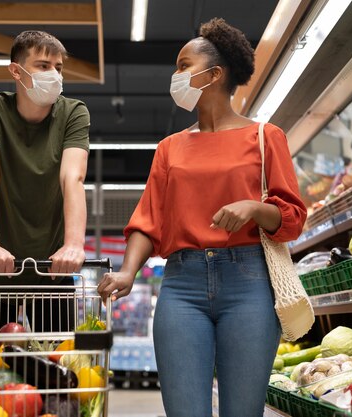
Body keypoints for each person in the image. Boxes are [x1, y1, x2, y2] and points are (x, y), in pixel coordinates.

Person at [97, 18, 307, 417]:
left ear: (214, 74)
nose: (175, 74)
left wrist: (254, 208)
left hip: (250, 285)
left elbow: (293, 218)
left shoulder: (265, 137)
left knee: (242, 412)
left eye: (183, 65)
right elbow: (148, 219)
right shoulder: (170, 148)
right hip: (181, 286)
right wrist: (127, 272)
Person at [0, 30, 89, 333]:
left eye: (58, 68)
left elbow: (72, 178)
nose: (54, 75)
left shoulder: (74, 112)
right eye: (43, 66)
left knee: (59, 369)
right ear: (16, 70)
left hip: (53, 267)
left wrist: (74, 245)